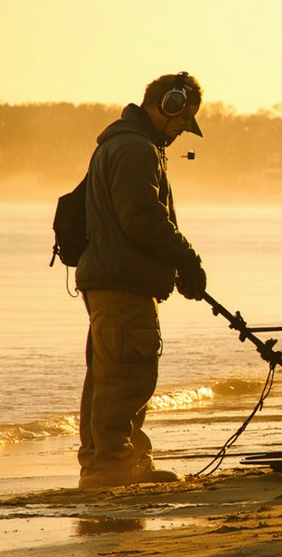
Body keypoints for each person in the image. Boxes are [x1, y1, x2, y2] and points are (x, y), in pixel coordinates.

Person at [74, 72, 208, 489]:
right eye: (182, 118)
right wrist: (187, 260)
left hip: (114, 278)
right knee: (127, 374)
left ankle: (112, 462)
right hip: (121, 282)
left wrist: (177, 267)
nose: (183, 128)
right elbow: (143, 219)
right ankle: (113, 468)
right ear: (167, 105)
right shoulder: (134, 148)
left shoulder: (126, 143)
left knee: (109, 374)